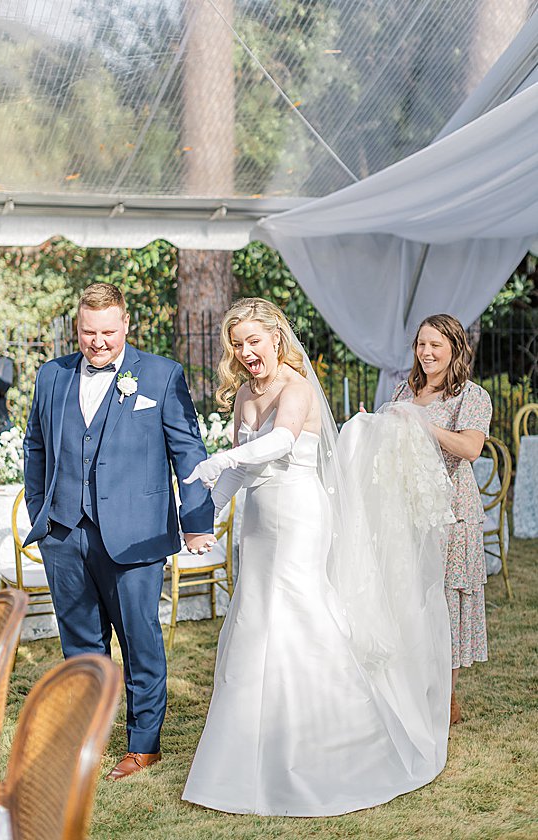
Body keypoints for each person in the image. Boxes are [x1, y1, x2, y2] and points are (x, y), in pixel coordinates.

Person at [181, 298, 453, 816]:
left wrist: (220, 458)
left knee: (300, 617)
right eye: (237, 345)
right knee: (254, 621)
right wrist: (201, 516)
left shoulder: (297, 388)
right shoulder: (243, 394)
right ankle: (244, 757)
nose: (246, 353)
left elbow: (280, 442)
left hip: (300, 516)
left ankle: (338, 745)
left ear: (276, 338)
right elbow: (240, 473)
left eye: (253, 342)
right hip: (259, 522)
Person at [21, 282, 215, 781]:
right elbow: (35, 446)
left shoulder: (161, 375)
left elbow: (189, 455)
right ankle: (87, 737)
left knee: (139, 639)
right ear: (77, 328)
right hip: (65, 533)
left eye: (108, 332)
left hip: (136, 535)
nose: (98, 342)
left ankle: (143, 745)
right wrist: (43, 514)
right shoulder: (52, 375)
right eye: (89, 333)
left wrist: (196, 522)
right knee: (80, 642)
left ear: (126, 325)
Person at [392, 314, 492, 725]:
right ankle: (411, 684)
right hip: (406, 509)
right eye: (421, 345)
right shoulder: (405, 389)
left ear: (455, 347)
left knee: (445, 601)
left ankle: (446, 697)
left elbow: (470, 448)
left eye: (435, 345)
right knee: (410, 597)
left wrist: (423, 424)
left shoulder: (472, 395)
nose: (427, 352)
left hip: (452, 514)